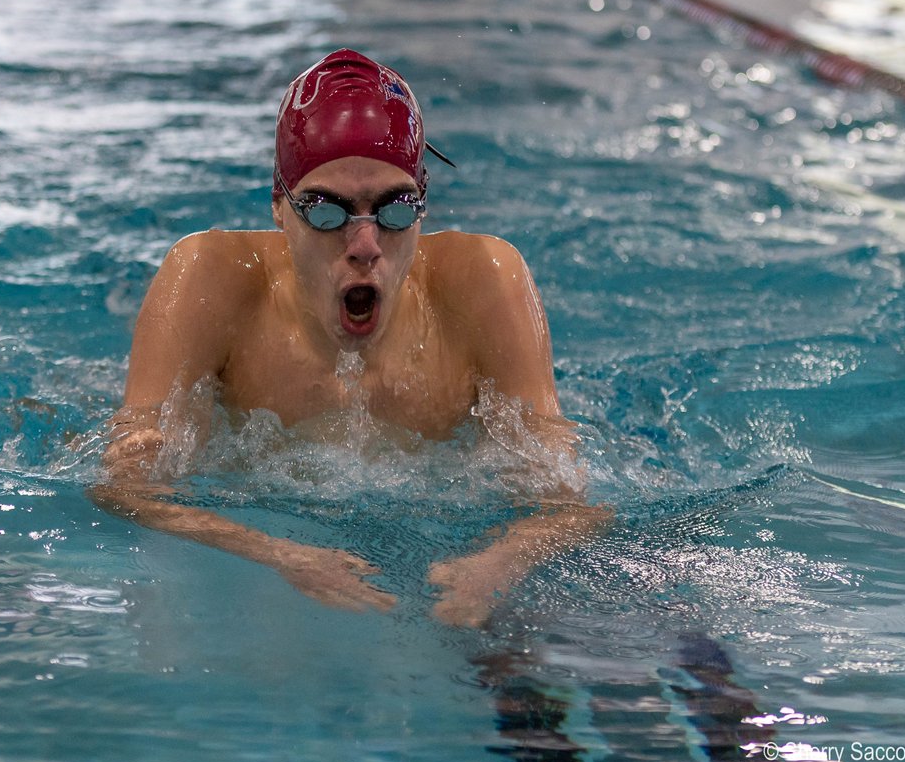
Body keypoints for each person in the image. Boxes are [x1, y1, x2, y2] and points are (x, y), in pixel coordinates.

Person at [93, 49, 608, 628]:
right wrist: (277, 554)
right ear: (278, 207)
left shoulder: (485, 282)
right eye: (326, 212)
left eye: (393, 209)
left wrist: (495, 564)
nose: (364, 244)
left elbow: (569, 503)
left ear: (424, 205)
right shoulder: (209, 281)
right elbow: (124, 486)